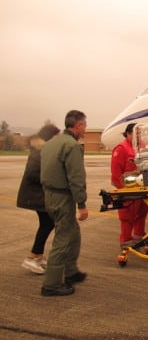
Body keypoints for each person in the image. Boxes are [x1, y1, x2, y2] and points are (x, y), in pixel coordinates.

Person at [40, 110, 88, 296]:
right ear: (78, 126)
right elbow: (76, 178)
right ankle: (51, 284)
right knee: (63, 238)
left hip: (49, 195)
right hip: (62, 197)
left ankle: (70, 272)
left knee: (73, 233)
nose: (85, 128)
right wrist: (81, 204)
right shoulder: (72, 146)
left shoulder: (51, 143)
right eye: (84, 124)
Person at [17, 124, 60, 274]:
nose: (58, 139)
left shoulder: (42, 150)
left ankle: (38, 255)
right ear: (50, 136)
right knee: (48, 223)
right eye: (56, 136)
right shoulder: (39, 152)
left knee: (47, 223)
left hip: (38, 194)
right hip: (35, 194)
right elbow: (32, 174)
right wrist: (50, 179)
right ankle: (32, 257)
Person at [111, 123, 148, 248]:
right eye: (136, 134)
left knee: (142, 211)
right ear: (128, 134)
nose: (139, 136)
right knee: (127, 216)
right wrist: (123, 191)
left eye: (140, 134)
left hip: (141, 188)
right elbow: (116, 174)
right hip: (128, 190)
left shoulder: (141, 147)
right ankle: (126, 241)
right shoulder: (121, 149)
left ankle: (138, 236)